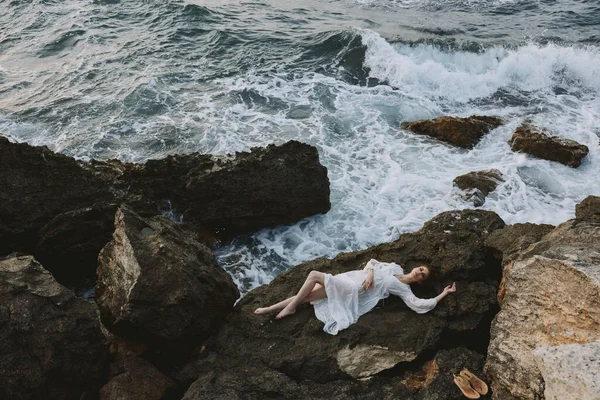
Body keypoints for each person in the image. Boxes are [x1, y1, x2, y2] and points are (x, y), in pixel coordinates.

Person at [254, 258, 457, 335]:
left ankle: (287, 308)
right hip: (353, 277)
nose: (418, 273)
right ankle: (272, 309)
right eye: (420, 269)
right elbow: (373, 262)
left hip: (354, 289)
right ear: (416, 266)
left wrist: (443, 294)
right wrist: (369, 273)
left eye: (422, 275)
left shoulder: (405, 290)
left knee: (314, 275)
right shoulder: (396, 267)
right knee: (308, 295)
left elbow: (420, 304)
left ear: (421, 281)